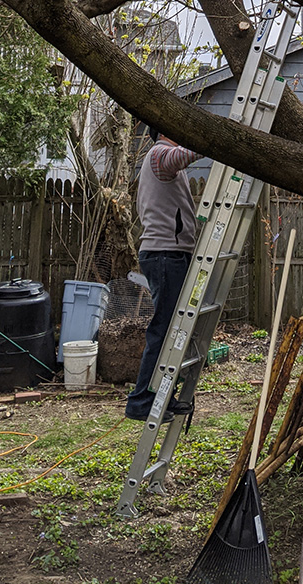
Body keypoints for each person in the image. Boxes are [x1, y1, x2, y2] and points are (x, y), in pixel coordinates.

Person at [125, 128, 201, 421]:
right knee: (163, 330)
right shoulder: (159, 154)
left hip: (169, 252)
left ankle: (161, 398)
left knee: (172, 331)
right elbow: (179, 157)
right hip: (165, 254)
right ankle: (141, 402)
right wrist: (214, 142)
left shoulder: (159, 158)